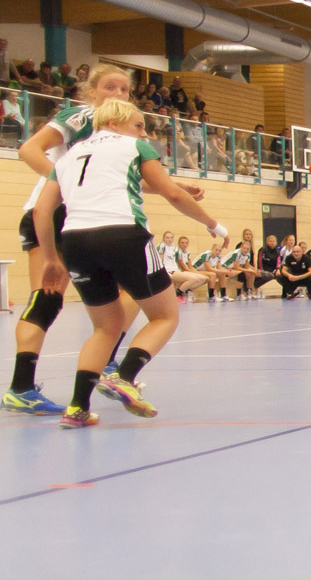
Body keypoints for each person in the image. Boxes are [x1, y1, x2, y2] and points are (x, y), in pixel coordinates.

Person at [3, 64, 201, 415]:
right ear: (90, 91)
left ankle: (106, 366)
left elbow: (114, 179)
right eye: (110, 87)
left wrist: (176, 185)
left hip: (86, 220)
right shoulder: (82, 116)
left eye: (125, 90)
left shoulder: (119, 135)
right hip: (56, 214)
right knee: (47, 298)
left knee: (132, 294)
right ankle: (22, 387)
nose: (119, 94)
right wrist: (63, 185)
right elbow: (30, 149)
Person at [32, 99, 229, 427]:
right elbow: (173, 193)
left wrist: (51, 258)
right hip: (125, 235)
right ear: (115, 122)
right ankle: (123, 377)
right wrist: (213, 225)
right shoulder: (135, 147)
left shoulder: (69, 156)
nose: (143, 132)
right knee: (164, 316)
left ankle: (77, 408)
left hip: (75, 242)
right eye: (139, 125)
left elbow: (42, 209)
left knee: (104, 327)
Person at [157, 230, 208, 302]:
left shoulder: (174, 248)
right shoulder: (162, 246)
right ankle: (178, 294)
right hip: (169, 271)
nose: (169, 239)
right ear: (163, 239)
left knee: (201, 278)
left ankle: (185, 292)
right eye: (167, 238)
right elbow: (159, 260)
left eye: (171, 238)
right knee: (193, 279)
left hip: (176, 270)